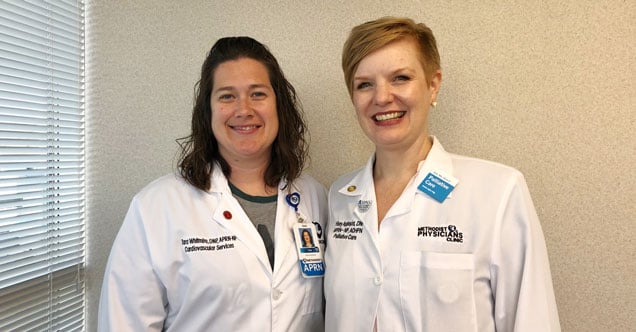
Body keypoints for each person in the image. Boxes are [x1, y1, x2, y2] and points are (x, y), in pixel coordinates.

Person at [324, 17, 561, 331]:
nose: (381, 97)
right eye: (364, 84)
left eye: (400, 78)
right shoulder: (340, 198)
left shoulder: (497, 192)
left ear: (432, 84)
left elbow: (533, 321)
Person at [98, 36, 326, 331]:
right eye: (227, 96)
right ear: (207, 112)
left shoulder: (315, 197)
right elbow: (124, 323)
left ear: (279, 105)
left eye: (258, 94)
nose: (244, 109)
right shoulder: (157, 207)